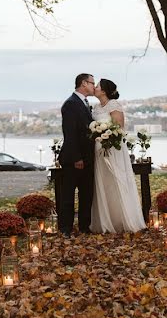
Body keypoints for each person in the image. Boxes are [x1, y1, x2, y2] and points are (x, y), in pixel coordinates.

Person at [89, 79, 146, 233]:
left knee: (116, 179)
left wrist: (106, 137)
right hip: (98, 149)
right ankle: (105, 221)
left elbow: (119, 128)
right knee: (103, 182)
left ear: (105, 90)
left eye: (98, 86)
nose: (95, 87)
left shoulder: (114, 105)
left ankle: (123, 219)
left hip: (113, 148)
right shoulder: (95, 107)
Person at [57, 74, 96, 236]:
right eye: (92, 83)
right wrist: (77, 158)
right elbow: (70, 133)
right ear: (83, 83)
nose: (94, 86)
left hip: (88, 159)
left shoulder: (85, 104)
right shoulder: (71, 104)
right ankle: (65, 229)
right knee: (68, 196)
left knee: (86, 195)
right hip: (74, 159)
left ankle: (84, 227)